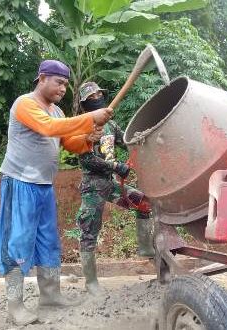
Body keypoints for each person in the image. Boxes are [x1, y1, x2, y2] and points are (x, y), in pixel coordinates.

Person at [0, 60, 113, 326]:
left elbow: (68, 143)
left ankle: (50, 295)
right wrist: (89, 118)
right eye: (58, 82)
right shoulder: (25, 104)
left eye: (65, 84)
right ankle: (15, 305)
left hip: (44, 186)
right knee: (17, 243)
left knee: (48, 242)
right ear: (42, 78)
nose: (63, 88)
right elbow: (48, 128)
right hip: (20, 183)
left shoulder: (58, 112)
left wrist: (87, 139)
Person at [75, 81, 155, 296]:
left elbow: (126, 141)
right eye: (92, 97)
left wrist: (142, 137)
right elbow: (87, 160)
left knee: (144, 203)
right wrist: (115, 166)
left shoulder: (110, 125)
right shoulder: (81, 126)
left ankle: (147, 247)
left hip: (110, 183)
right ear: (84, 104)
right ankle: (91, 283)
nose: (97, 98)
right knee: (89, 232)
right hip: (93, 186)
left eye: (99, 95)